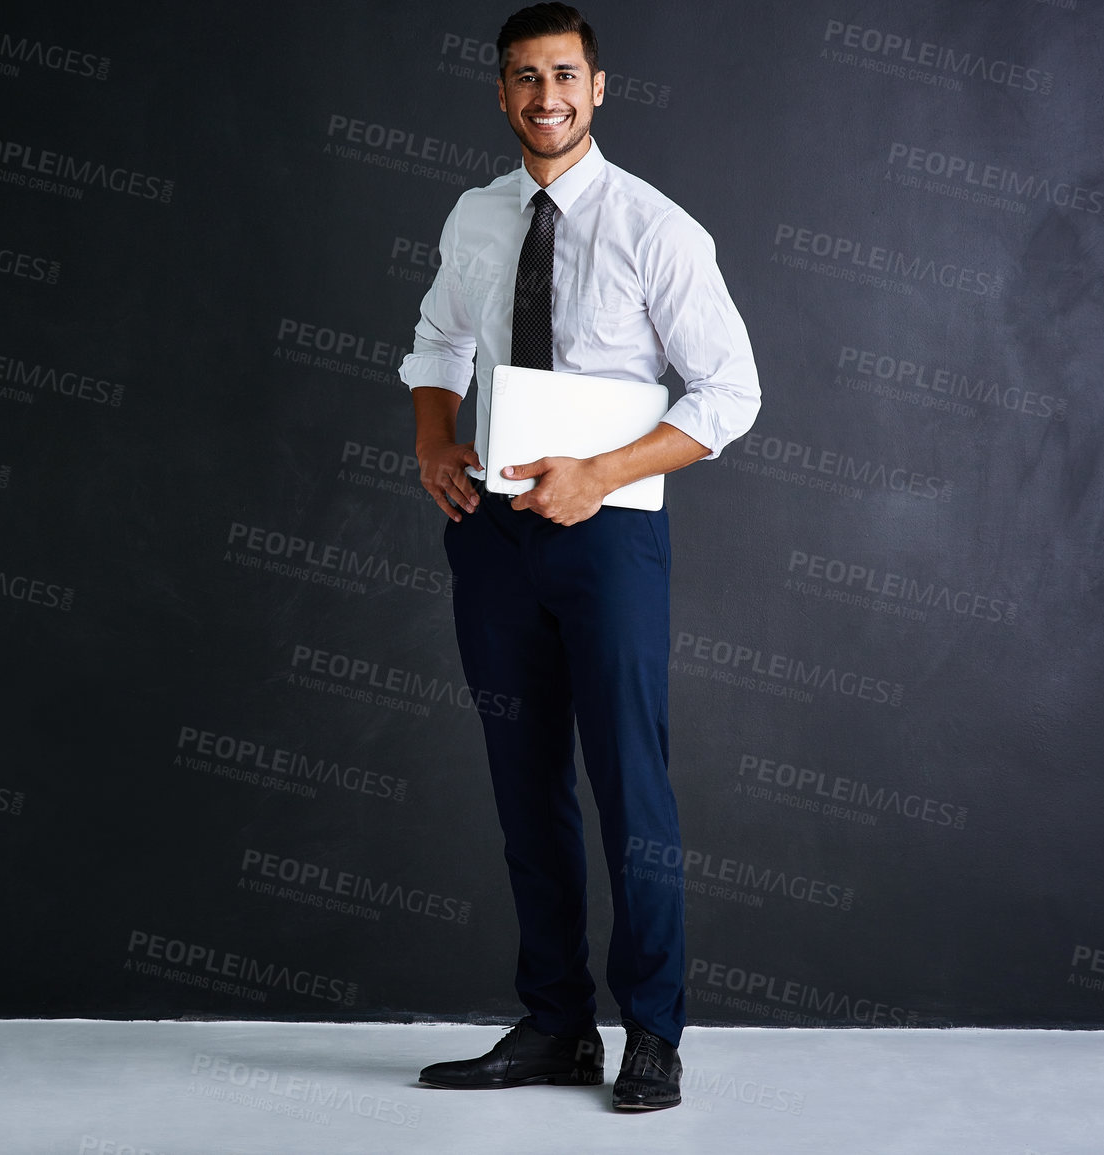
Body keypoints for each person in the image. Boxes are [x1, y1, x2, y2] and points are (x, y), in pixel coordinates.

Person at [398, 2, 760, 1112]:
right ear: (500, 94)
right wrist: (431, 444)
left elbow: (730, 395)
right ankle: (555, 1024)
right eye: (522, 77)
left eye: (563, 75)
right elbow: (438, 339)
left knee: (628, 783)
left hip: (608, 537)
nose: (543, 97)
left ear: (598, 88)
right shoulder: (475, 215)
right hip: (496, 535)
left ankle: (653, 1031)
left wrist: (598, 475)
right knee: (526, 783)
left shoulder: (656, 228)